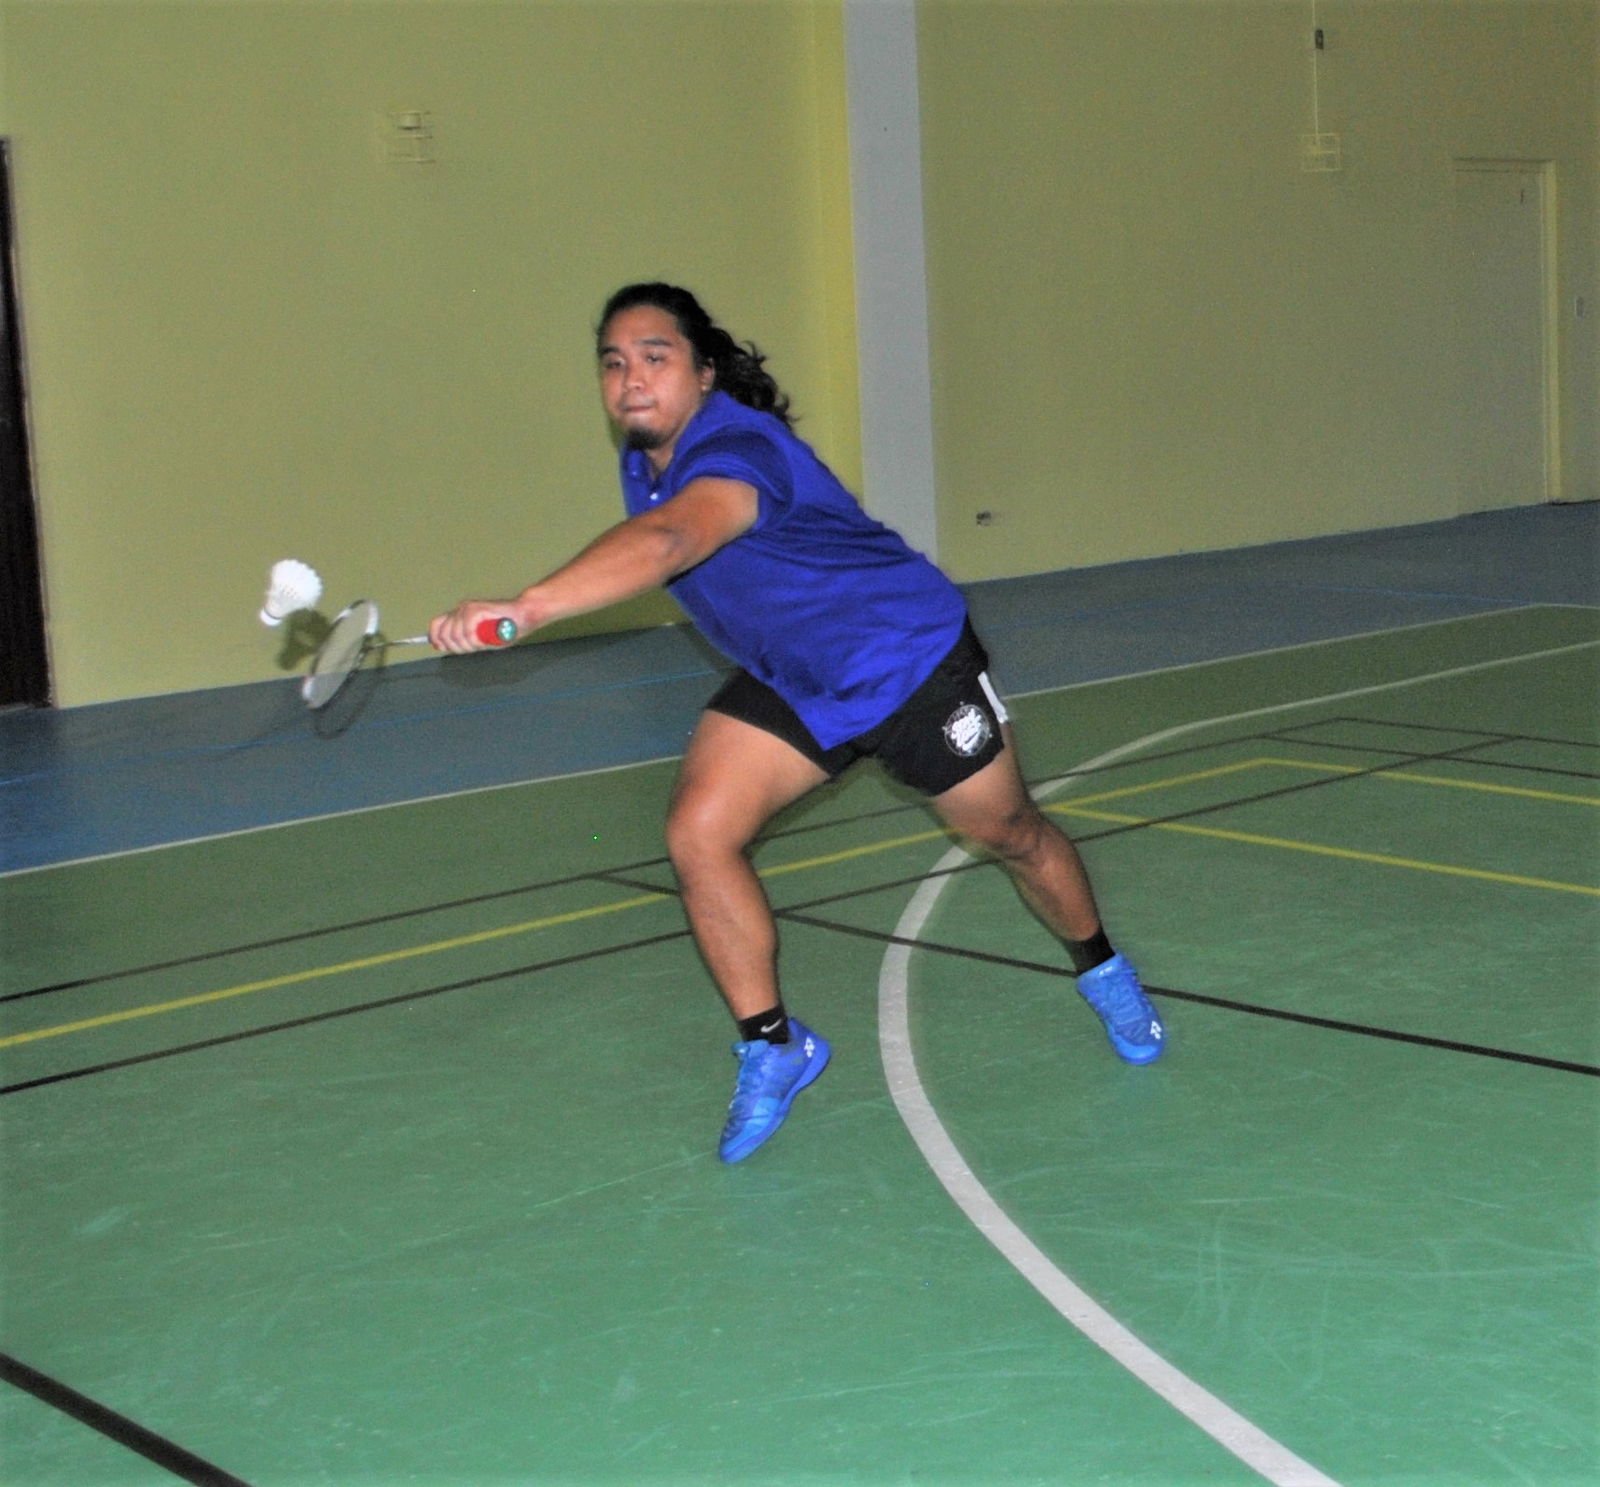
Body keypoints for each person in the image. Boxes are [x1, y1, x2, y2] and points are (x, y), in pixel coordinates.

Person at [431, 282, 1164, 1163]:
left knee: (1009, 833)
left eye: (655, 358)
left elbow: (672, 541)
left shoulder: (740, 447)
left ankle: (1103, 970)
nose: (631, 380)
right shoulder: (645, 459)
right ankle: (773, 1046)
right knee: (700, 832)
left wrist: (527, 607)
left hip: (907, 664)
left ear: (704, 374)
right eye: (614, 362)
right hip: (800, 677)